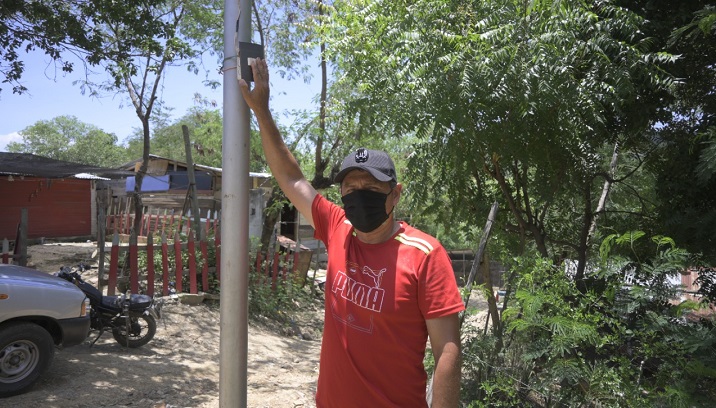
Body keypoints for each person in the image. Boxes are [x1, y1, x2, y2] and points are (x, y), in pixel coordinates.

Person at [239, 58, 464, 408]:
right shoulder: (337, 227)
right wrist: (262, 111)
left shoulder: (425, 255)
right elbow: (292, 178)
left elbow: (447, 350)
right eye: (350, 186)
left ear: (396, 192)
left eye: (371, 186)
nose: (358, 193)